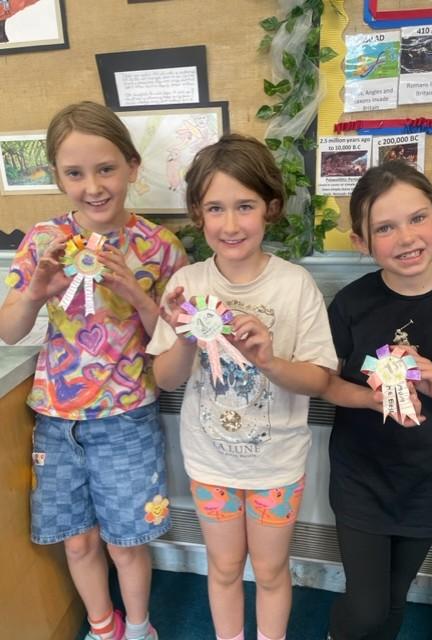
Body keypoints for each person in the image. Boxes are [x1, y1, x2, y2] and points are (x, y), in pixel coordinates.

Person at [0, 101, 188, 640]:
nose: (93, 186)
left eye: (106, 169)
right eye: (75, 173)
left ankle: (140, 628)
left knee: (126, 543)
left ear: (132, 166)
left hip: (127, 420)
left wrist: (135, 291)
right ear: (57, 177)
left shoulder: (160, 247)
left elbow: (174, 343)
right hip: (56, 422)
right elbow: (10, 331)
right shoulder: (44, 241)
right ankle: (104, 628)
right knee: (77, 540)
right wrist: (35, 292)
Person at [146, 133, 338, 640]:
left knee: (271, 572)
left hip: (277, 464)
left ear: (270, 208)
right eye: (216, 208)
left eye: (245, 206)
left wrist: (269, 360)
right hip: (210, 463)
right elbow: (164, 379)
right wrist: (184, 338)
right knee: (225, 568)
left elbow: (320, 379)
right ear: (197, 213)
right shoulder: (187, 284)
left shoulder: (294, 285)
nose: (230, 224)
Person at [323, 160, 432, 640]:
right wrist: (368, 399)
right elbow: (325, 385)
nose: (406, 238)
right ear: (362, 242)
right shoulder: (350, 304)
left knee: (394, 601)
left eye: (417, 218)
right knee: (367, 608)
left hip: (425, 480)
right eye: (385, 228)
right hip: (360, 476)